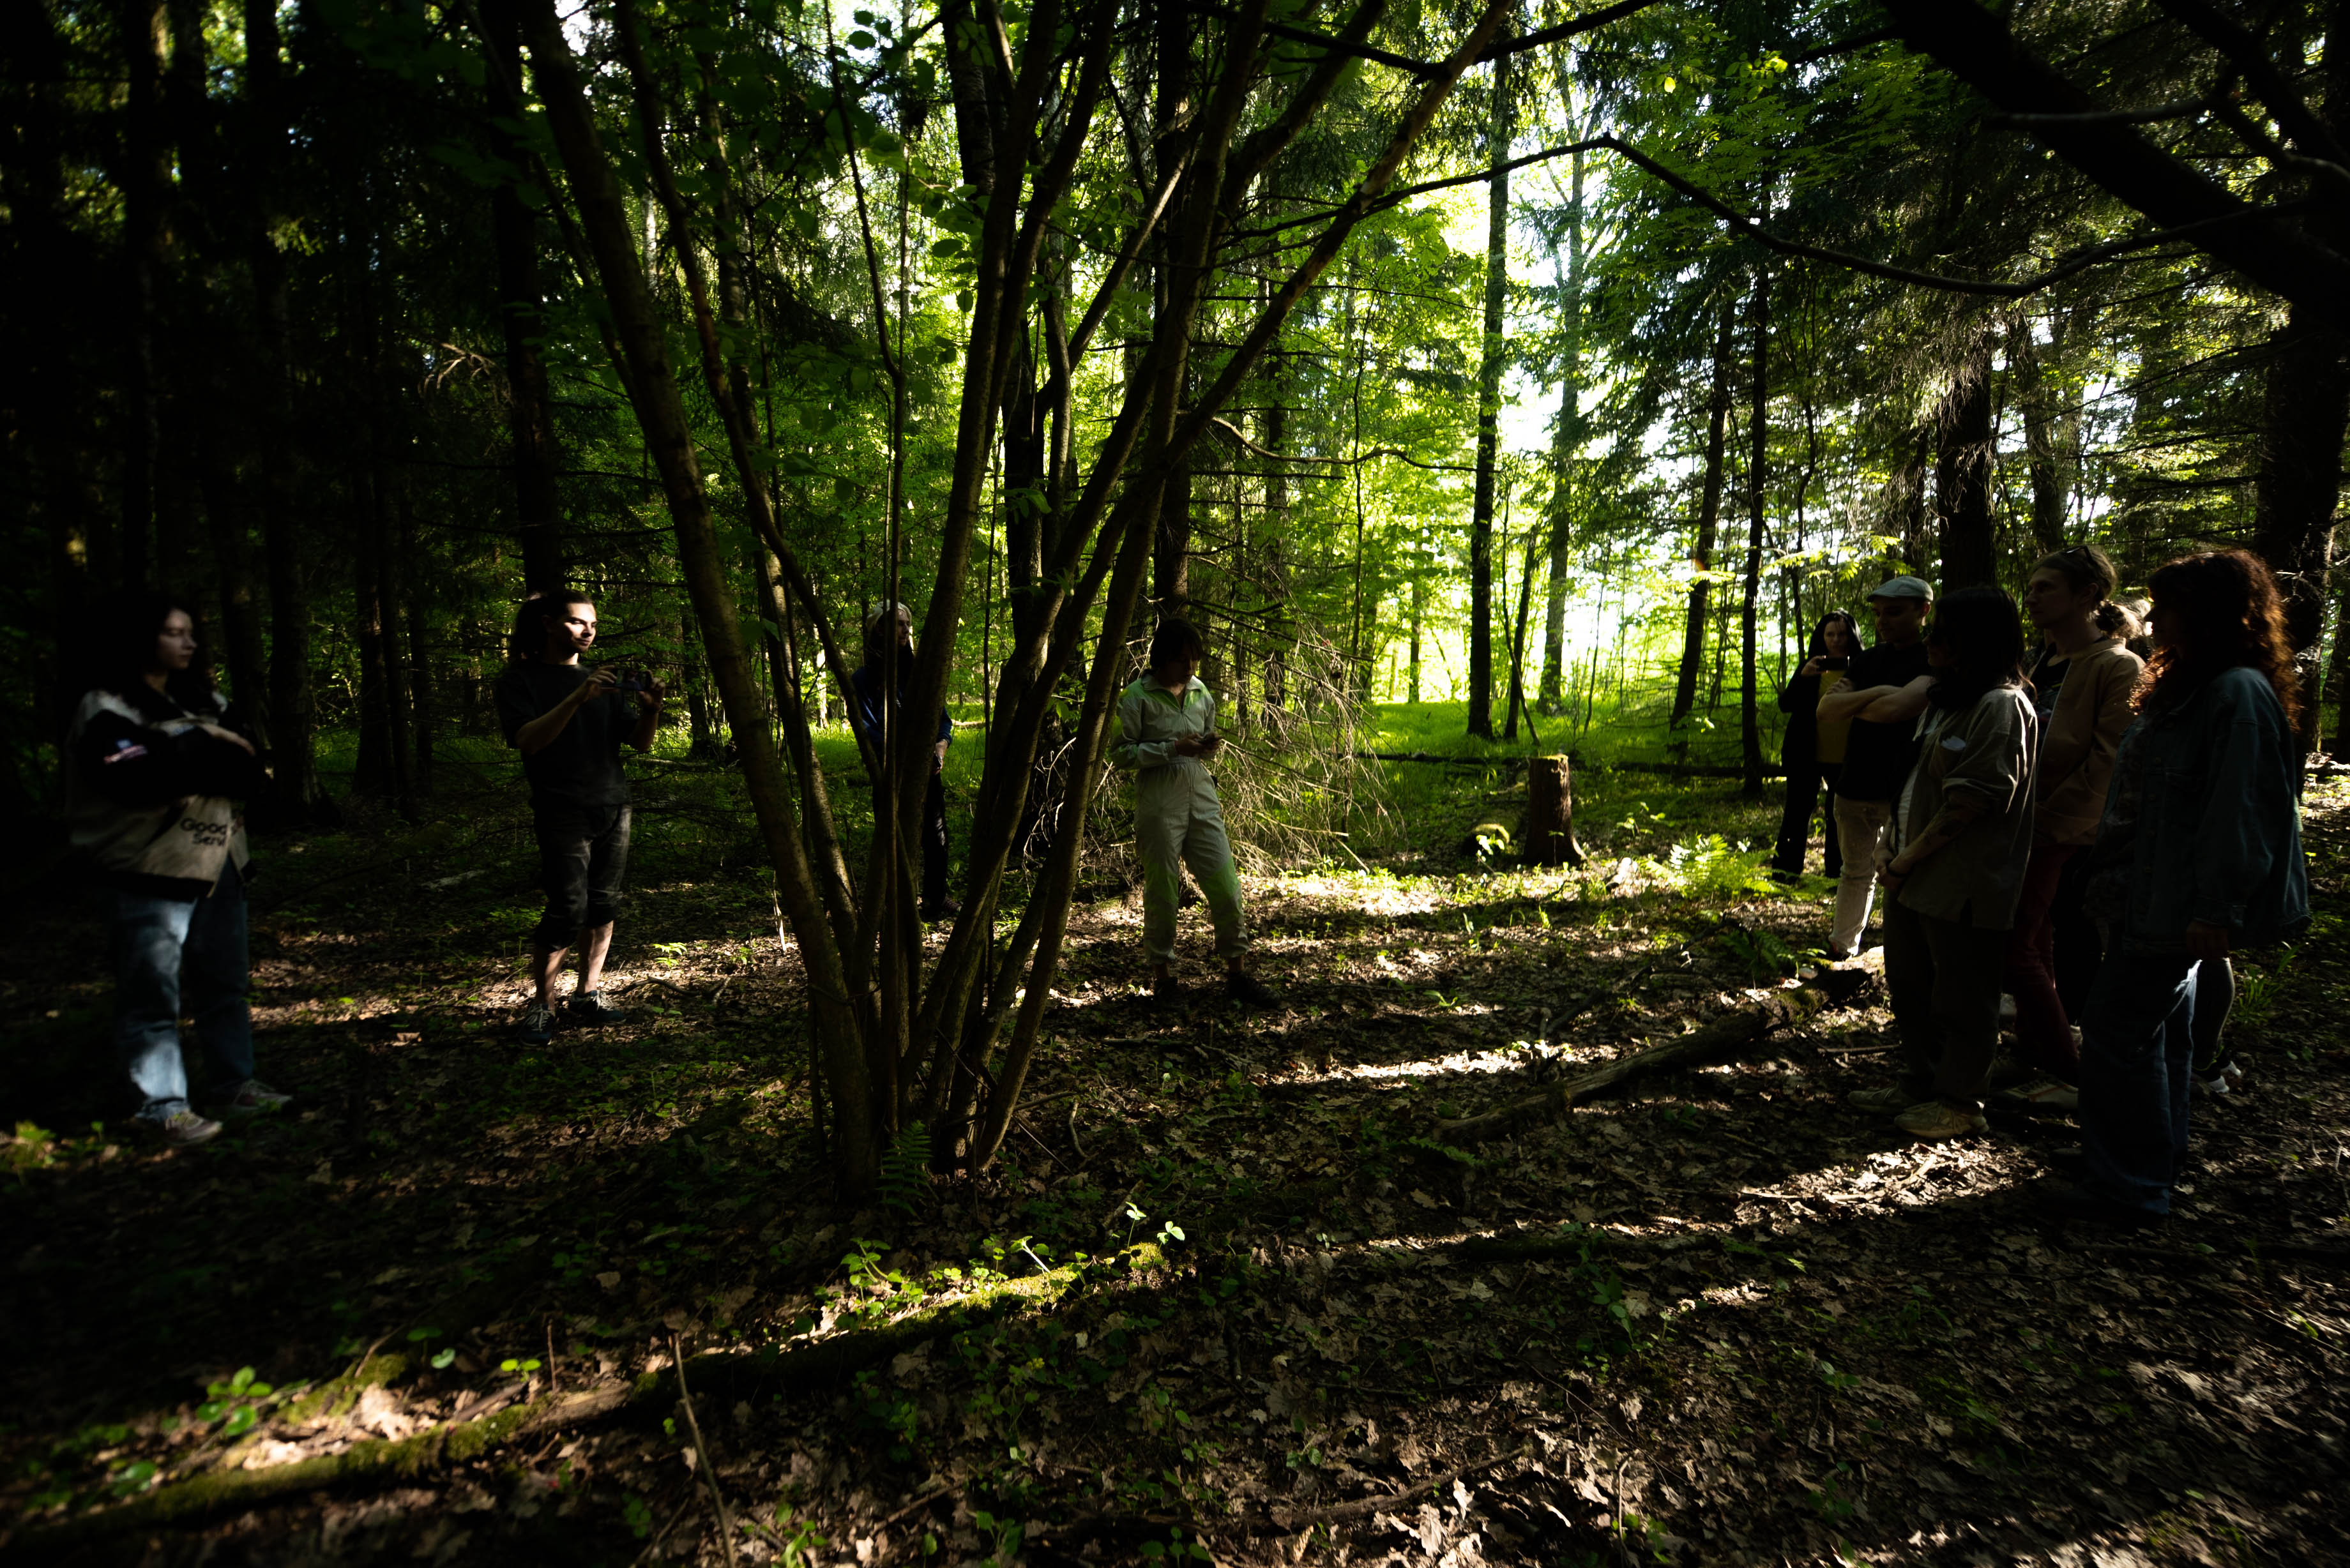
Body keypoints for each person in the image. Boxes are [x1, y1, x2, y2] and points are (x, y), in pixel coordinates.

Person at [2045, 550, 2307, 1226]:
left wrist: (2215, 907)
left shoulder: (2235, 693)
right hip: (2148, 894)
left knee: (2115, 1030)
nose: (2154, 617)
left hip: (2176, 902)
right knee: (2160, 1035)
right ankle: (2145, 1162)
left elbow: (2241, 809)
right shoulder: (2192, 682)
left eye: (2169, 606)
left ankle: (2128, 1186)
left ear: (2210, 614)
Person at [67, 592, 286, 1146]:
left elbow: (251, 771)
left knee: (225, 984)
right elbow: (134, 781)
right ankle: (162, 1107)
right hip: (146, 870)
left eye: (190, 632)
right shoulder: (106, 707)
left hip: (219, 863)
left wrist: (180, 750)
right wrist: (202, 741)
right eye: (174, 632)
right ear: (141, 639)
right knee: (151, 996)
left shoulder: (206, 699)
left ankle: (233, 1084)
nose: (188, 642)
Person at [1844, 587, 2040, 1140]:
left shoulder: (2001, 705)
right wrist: (1888, 847)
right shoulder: (1947, 699)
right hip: (1909, 870)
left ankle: (1960, 1101)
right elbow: (1913, 781)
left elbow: (1973, 803)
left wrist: (1906, 859)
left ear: (1975, 639)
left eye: (1943, 631)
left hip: (1962, 879)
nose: (1930, 640)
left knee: (1963, 994)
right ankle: (1920, 1081)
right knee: (1910, 985)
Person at [1994, 547, 2145, 1114]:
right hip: (2014, 820)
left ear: (2088, 596)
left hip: (2054, 827)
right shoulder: (2040, 660)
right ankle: (2035, 1047)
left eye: (2046, 588)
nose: (2032, 597)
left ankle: (2071, 1072)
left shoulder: (2117, 666)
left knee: (2014, 947)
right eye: (2031, 587)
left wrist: (2048, 819)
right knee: (2036, 941)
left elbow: (2108, 762)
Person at [496, 591, 664, 1045]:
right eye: (576, 622)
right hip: (561, 809)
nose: (588, 631)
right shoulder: (520, 681)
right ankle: (542, 1005)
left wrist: (651, 710)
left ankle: (588, 994)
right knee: (567, 907)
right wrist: (576, 699)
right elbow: (528, 740)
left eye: (593, 624)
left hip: (614, 804)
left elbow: (640, 743)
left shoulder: (601, 682)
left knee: (604, 904)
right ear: (548, 624)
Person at [1111, 619, 1277, 1006]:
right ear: (1162, 658)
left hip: (1201, 795)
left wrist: (1206, 745)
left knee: (1227, 884)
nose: (1190, 667)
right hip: (1159, 801)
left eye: (1194, 660)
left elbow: (1202, 741)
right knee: (1163, 890)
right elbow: (1120, 754)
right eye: (1182, 660)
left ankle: (1237, 975)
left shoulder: (1201, 693)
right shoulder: (1135, 697)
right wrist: (1171, 749)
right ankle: (1164, 980)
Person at [1817, 576, 1936, 960]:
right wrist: (1882, 693)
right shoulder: (1869, 659)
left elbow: (1898, 710)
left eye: (1894, 612)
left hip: (1904, 789)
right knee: (1855, 871)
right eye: (1878, 613)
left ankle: (1908, 953)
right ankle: (1843, 946)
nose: (1883, 621)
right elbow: (1826, 710)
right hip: (1854, 785)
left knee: (1904, 872)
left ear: (1923, 611)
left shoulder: (1934, 658)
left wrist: (1858, 704)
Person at [850, 603, 957, 921]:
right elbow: (869, 731)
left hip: (927, 770)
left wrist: (939, 747)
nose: (905, 630)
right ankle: (895, 907)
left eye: (907, 624)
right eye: (897, 624)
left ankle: (936, 899)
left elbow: (943, 719)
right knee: (894, 840)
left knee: (937, 838)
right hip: (891, 773)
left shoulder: (920, 673)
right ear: (879, 629)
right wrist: (905, 754)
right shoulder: (863, 679)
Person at [1771, 611, 1863, 879]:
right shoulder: (1811, 666)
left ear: (1852, 636)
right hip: (1806, 754)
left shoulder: (1863, 668)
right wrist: (1804, 676)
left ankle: (1835, 875)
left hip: (1847, 756)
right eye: (1830, 634)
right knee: (1796, 813)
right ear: (1821, 637)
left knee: (1840, 817)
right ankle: (1785, 874)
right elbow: (1786, 704)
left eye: (1842, 634)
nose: (1836, 640)